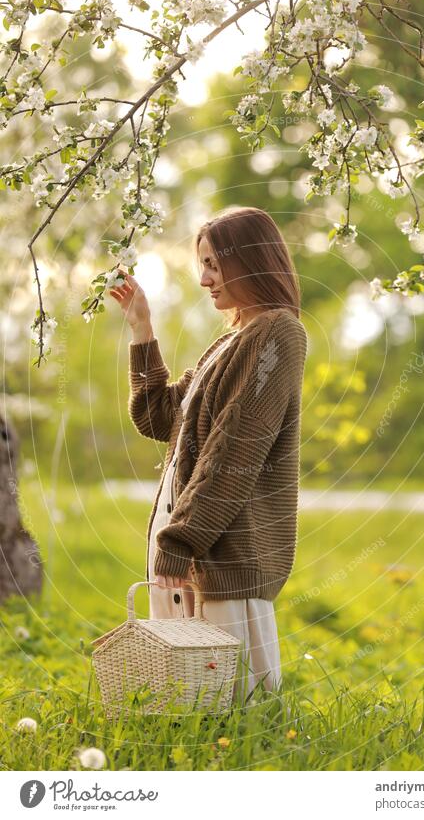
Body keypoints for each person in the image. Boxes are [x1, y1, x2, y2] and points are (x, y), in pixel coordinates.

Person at [109, 206, 307, 701]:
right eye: (202, 265)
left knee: (234, 706)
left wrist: (183, 539)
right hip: (193, 541)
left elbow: (235, 449)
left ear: (252, 260)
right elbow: (159, 418)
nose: (204, 280)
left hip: (221, 547)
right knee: (185, 699)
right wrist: (142, 329)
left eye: (214, 265)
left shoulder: (278, 334)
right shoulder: (229, 342)